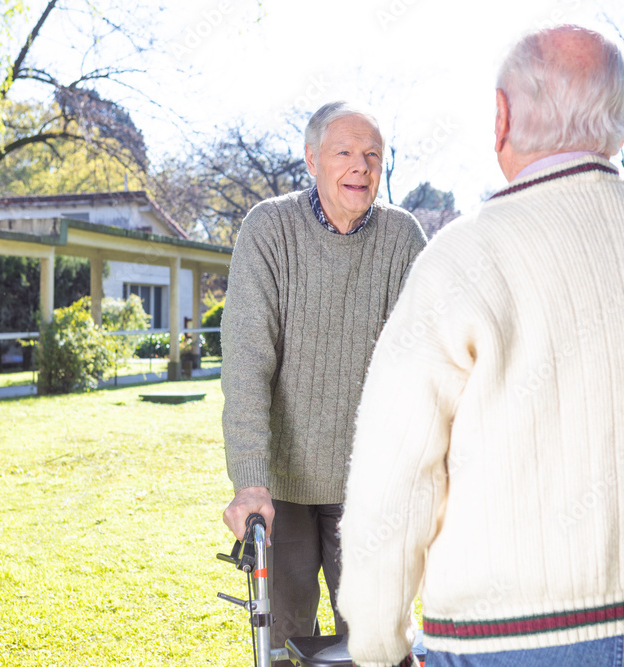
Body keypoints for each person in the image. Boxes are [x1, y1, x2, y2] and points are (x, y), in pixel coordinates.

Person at [337, 25, 624, 667]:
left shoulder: (461, 260)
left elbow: (396, 475)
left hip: (496, 637)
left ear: (500, 118)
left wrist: (380, 646)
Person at [220, 100, 427, 658]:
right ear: (312, 159)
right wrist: (251, 479)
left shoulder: (402, 237)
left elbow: (424, 360)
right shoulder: (269, 228)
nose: (360, 166)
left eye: (372, 156)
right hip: (281, 488)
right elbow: (246, 359)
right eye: (344, 152)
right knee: (287, 634)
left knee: (377, 637)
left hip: (368, 486)